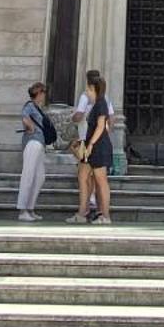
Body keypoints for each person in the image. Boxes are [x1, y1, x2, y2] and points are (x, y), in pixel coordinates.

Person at [70, 72, 113, 224]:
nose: (86, 92)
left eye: (88, 89)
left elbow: (102, 126)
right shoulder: (97, 104)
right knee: (83, 175)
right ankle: (82, 212)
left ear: (94, 88)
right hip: (90, 145)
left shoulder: (101, 103)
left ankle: (105, 215)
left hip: (98, 146)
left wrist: (91, 144)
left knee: (101, 180)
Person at [17, 81, 52, 220]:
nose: (44, 95)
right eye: (43, 92)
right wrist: (31, 127)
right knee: (28, 174)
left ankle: (30, 208)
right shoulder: (30, 106)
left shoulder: (39, 108)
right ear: (38, 93)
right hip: (32, 142)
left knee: (39, 176)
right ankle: (22, 210)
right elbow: (24, 117)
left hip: (40, 143)